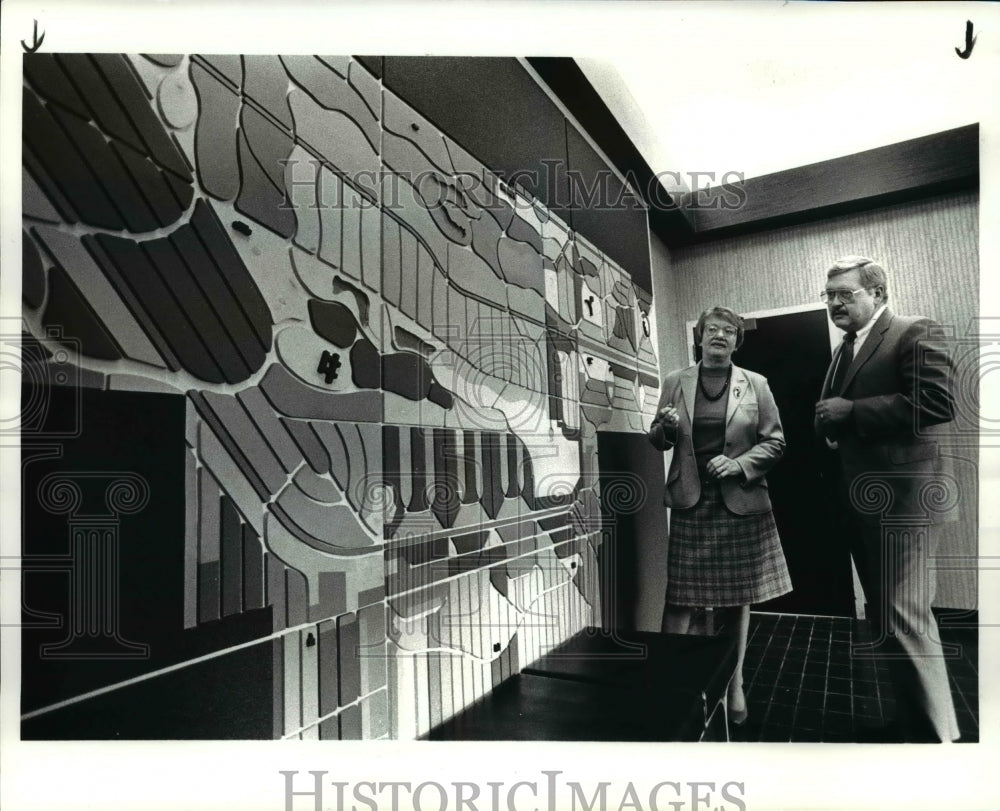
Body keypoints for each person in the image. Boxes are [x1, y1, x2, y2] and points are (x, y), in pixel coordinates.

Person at [815, 255, 959, 743]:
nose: (835, 302)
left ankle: (938, 743)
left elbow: (936, 403)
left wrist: (851, 411)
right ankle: (914, 722)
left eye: (845, 293)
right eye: (829, 294)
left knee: (903, 614)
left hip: (906, 506)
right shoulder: (845, 350)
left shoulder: (914, 330)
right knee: (886, 617)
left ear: (877, 293)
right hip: (866, 505)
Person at [648, 306, 792, 728]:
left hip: (741, 504)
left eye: (729, 331)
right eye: (712, 329)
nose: (720, 336)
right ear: (699, 336)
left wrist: (740, 464)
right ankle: (673, 683)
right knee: (679, 601)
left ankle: (734, 683)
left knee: (735, 600)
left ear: (736, 341)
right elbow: (658, 439)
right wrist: (667, 428)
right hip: (694, 503)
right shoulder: (676, 381)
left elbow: (776, 443)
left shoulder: (756, 384)